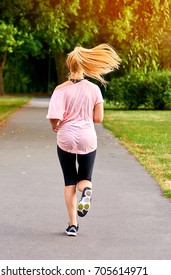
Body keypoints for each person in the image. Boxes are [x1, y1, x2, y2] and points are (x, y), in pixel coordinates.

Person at [46, 44, 121, 237]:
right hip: (88, 137)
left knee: (69, 181)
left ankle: (73, 225)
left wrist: (56, 125)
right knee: (84, 179)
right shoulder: (94, 89)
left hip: (66, 137)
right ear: (85, 65)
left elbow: (55, 116)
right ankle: (86, 191)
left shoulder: (60, 89)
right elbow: (98, 119)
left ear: (68, 66)